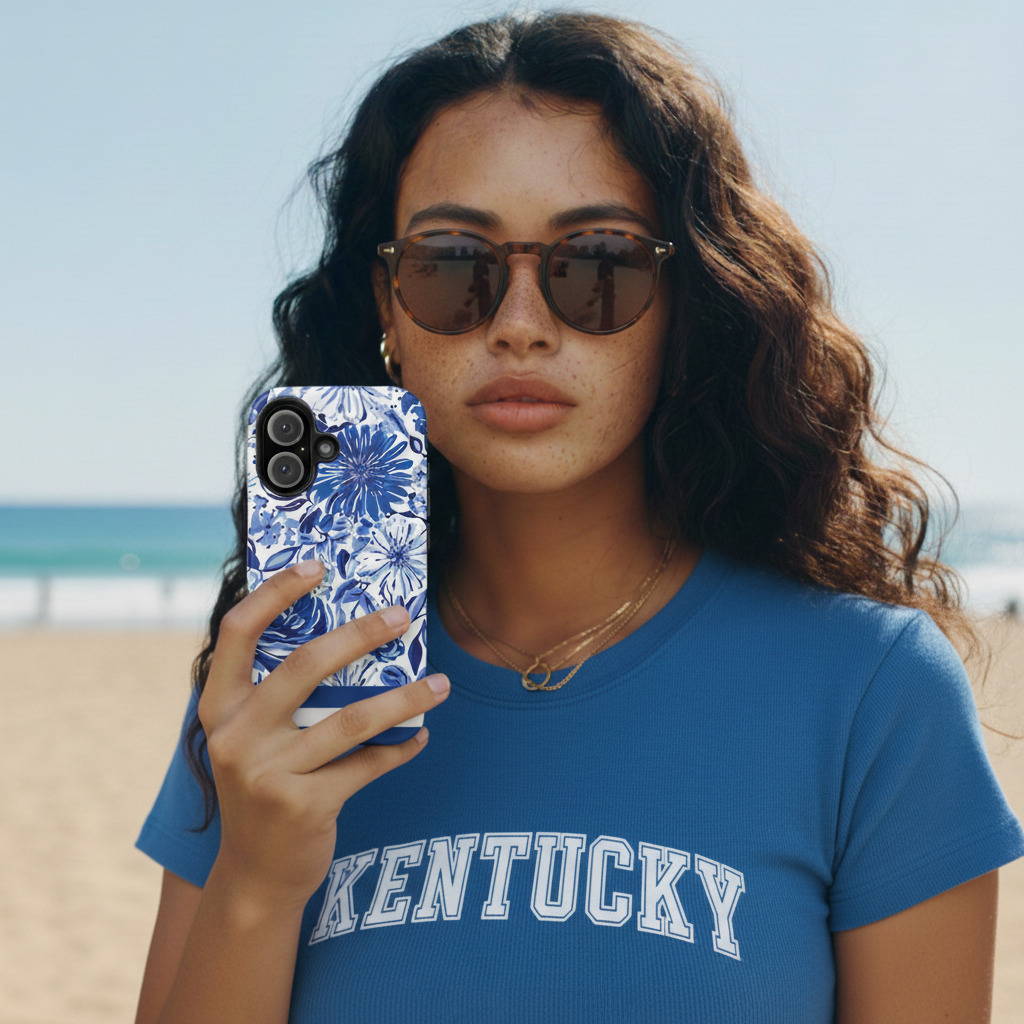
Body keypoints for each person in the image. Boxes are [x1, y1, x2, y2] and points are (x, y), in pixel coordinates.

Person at [134, 12, 1024, 1023]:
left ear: (685, 298)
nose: (519, 323)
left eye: (596, 264)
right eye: (451, 263)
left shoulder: (870, 692)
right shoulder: (285, 691)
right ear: (387, 305)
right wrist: (255, 878)